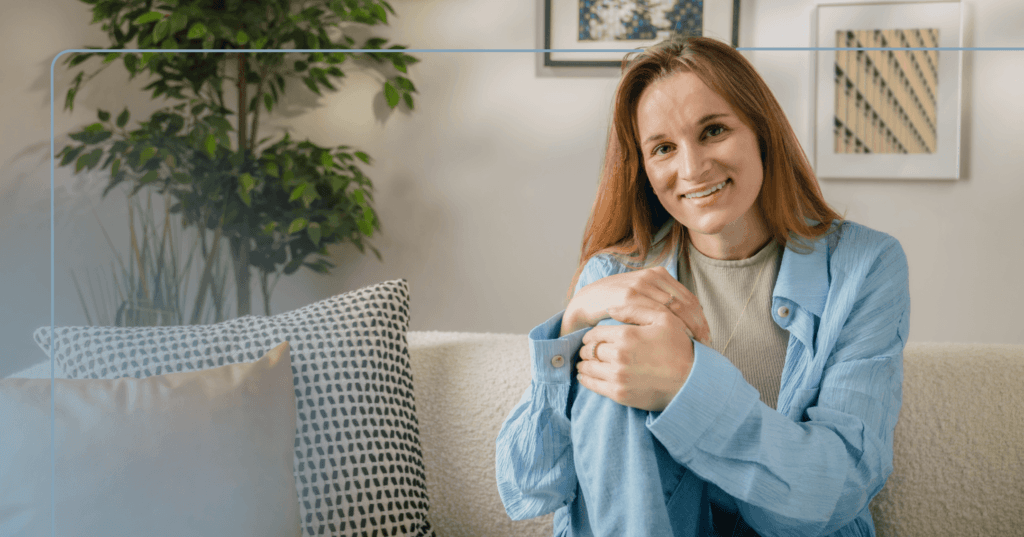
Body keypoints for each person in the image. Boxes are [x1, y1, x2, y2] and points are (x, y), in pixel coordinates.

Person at [495, 35, 910, 537]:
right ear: (645, 169)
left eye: (713, 131)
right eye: (664, 148)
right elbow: (530, 487)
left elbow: (836, 490)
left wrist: (687, 390)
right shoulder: (613, 276)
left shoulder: (865, 265)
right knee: (616, 369)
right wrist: (573, 321)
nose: (692, 169)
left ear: (761, 132)